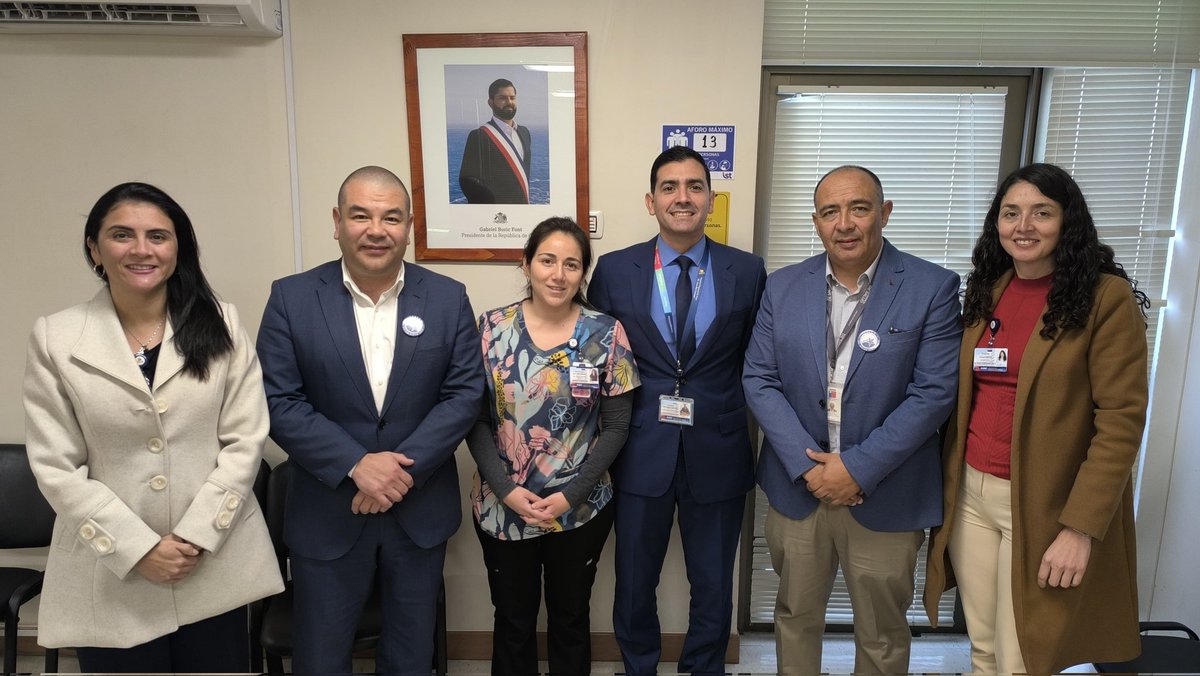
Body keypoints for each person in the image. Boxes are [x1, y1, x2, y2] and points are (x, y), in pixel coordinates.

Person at [22, 182, 283, 673]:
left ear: (177, 248)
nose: (142, 249)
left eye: (158, 236)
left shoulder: (221, 323)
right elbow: (56, 465)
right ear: (94, 248)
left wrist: (195, 536)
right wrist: (139, 548)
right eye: (123, 235)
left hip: (211, 558)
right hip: (112, 567)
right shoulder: (57, 337)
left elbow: (245, 438)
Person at [923, 163, 1149, 674]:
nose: (1023, 226)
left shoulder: (1104, 299)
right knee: (982, 646)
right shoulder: (991, 289)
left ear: (1067, 222)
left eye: (1041, 213)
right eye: (1011, 213)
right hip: (971, 496)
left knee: (1023, 654)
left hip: (1045, 505)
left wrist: (1080, 529)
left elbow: (1122, 420)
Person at [256, 166, 483, 675]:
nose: (376, 229)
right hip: (328, 509)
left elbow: (464, 395)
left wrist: (397, 473)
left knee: (409, 654)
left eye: (391, 217)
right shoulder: (292, 299)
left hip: (417, 510)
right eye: (360, 215)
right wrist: (357, 464)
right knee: (321, 656)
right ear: (337, 222)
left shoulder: (448, 298)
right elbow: (278, 400)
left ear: (409, 227)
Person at [743, 165, 962, 674]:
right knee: (794, 616)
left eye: (859, 208)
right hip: (799, 488)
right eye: (830, 212)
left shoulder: (931, 287)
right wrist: (811, 468)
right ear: (815, 222)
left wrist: (856, 469)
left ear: (883, 213)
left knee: (883, 632)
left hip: (887, 491)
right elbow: (759, 379)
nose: (845, 223)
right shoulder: (782, 286)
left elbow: (933, 394)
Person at [589, 145, 766, 675]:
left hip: (720, 446)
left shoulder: (748, 270)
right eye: (670, 187)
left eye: (694, 187)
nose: (682, 197)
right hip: (641, 448)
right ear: (651, 200)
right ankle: (638, 666)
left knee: (713, 580)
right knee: (635, 578)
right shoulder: (615, 270)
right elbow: (596, 357)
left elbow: (761, 360)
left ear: (711, 200)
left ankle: (704, 667)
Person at [468, 217, 640, 676]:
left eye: (571, 264)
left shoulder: (606, 334)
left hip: (579, 508)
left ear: (583, 273)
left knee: (570, 619)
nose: (557, 274)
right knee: (513, 622)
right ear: (526, 264)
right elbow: (474, 420)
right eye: (547, 260)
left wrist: (571, 494)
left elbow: (617, 426)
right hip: (503, 508)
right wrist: (505, 489)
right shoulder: (490, 330)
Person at [460, 78, 533, 204]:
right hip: (495, 213)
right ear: (491, 102)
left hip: (521, 211)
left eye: (512, 98)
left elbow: (523, 175)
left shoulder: (524, 133)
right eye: (503, 98)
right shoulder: (479, 135)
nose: (509, 102)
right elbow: (467, 180)